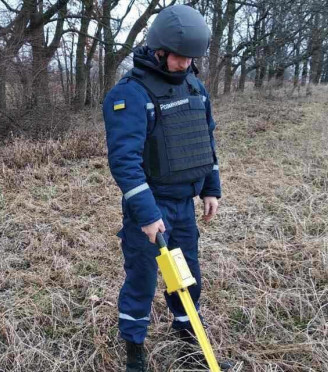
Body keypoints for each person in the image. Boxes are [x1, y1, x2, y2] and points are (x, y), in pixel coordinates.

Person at [103, 4, 233, 372]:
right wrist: (146, 215)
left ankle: (187, 338)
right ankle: (134, 348)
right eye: (180, 58)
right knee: (142, 281)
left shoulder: (195, 85)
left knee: (186, 277)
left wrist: (211, 187)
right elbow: (124, 162)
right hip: (150, 208)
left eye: (193, 59)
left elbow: (205, 141)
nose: (186, 65)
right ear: (159, 50)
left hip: (184, 206)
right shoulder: (130, 95)